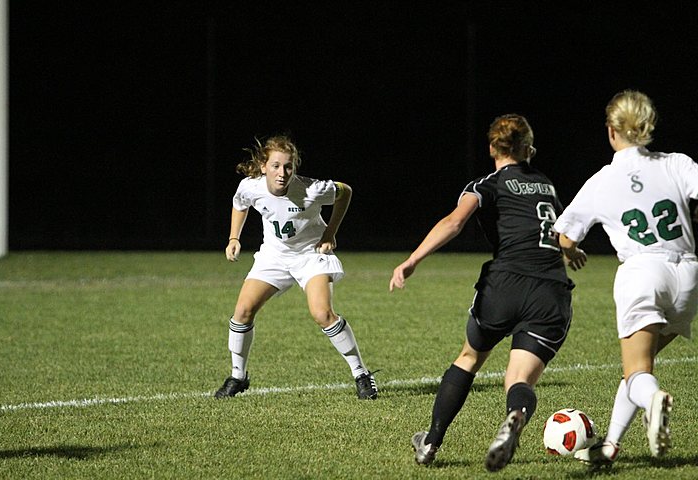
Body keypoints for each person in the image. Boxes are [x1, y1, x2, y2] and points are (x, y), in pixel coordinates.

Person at [390, 114, 578, 472]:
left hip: (505, 285)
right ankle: (515, 415)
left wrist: (412, 260)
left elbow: (454, 222)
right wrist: (571, 251)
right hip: (550, 290)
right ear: (528, 148)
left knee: (469, 358)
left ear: (492, 147)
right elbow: (563, 230)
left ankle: (430, 442)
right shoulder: (546, 185)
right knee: (518, 379)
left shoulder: (486, 184)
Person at [555, 90, 698, 466]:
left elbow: (565, 234)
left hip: (642, 272)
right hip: (687, 276)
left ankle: (654, 400)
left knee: (639, 375)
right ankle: (609, 446)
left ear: (611, 131)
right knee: (638, 366)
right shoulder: (676, 163)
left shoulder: (604, 178)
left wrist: (570, 252)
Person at [214, 135, 378, 400]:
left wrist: (329, 233)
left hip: (310, 254)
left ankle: (361, 374)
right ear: (263, 166)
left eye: (288, 166)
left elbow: (345, 192)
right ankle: (238, 376)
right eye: (276, 166)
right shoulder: (250, 186)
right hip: (274, 256)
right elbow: (239, 204)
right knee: (242, 311)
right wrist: (234, 237)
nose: (282, 173)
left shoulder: (313, 189)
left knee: (322, 313)